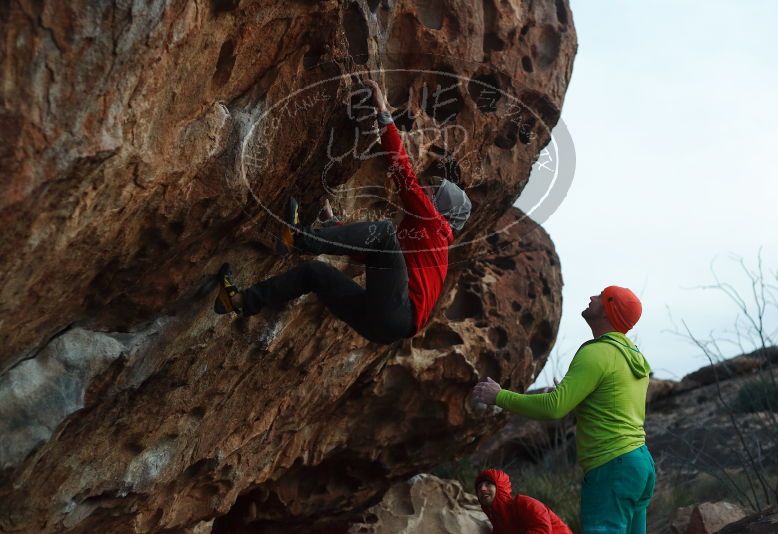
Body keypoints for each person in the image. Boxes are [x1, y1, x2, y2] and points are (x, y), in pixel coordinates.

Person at [213, 79, 472, 345]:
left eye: (434, 194)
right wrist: (334, 224)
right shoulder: (428, 243)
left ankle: (298, 237)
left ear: (442, 209)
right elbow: (372, 257)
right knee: (313, 274)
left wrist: (384, 114)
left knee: (383, 232)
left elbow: (404, 174)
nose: (427, 192)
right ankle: (241, 301)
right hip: (384, 328)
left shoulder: (433, 223)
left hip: (398, 313)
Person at [472, 287, 656, 534]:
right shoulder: (633, 357)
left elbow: (553, 407)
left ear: (610, 309)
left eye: (601, 297)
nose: (592, 297)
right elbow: (612, 408)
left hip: (612, 466)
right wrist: (577, 401)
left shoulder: (597, 352)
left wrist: (499, 396)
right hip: (641, 464)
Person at [475, 468, 572, 534]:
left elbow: (542, 530)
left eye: (488, 484)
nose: (482, 489)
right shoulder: (498, 523)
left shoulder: (524, 503)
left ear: (500, 487)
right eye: (479, 487)